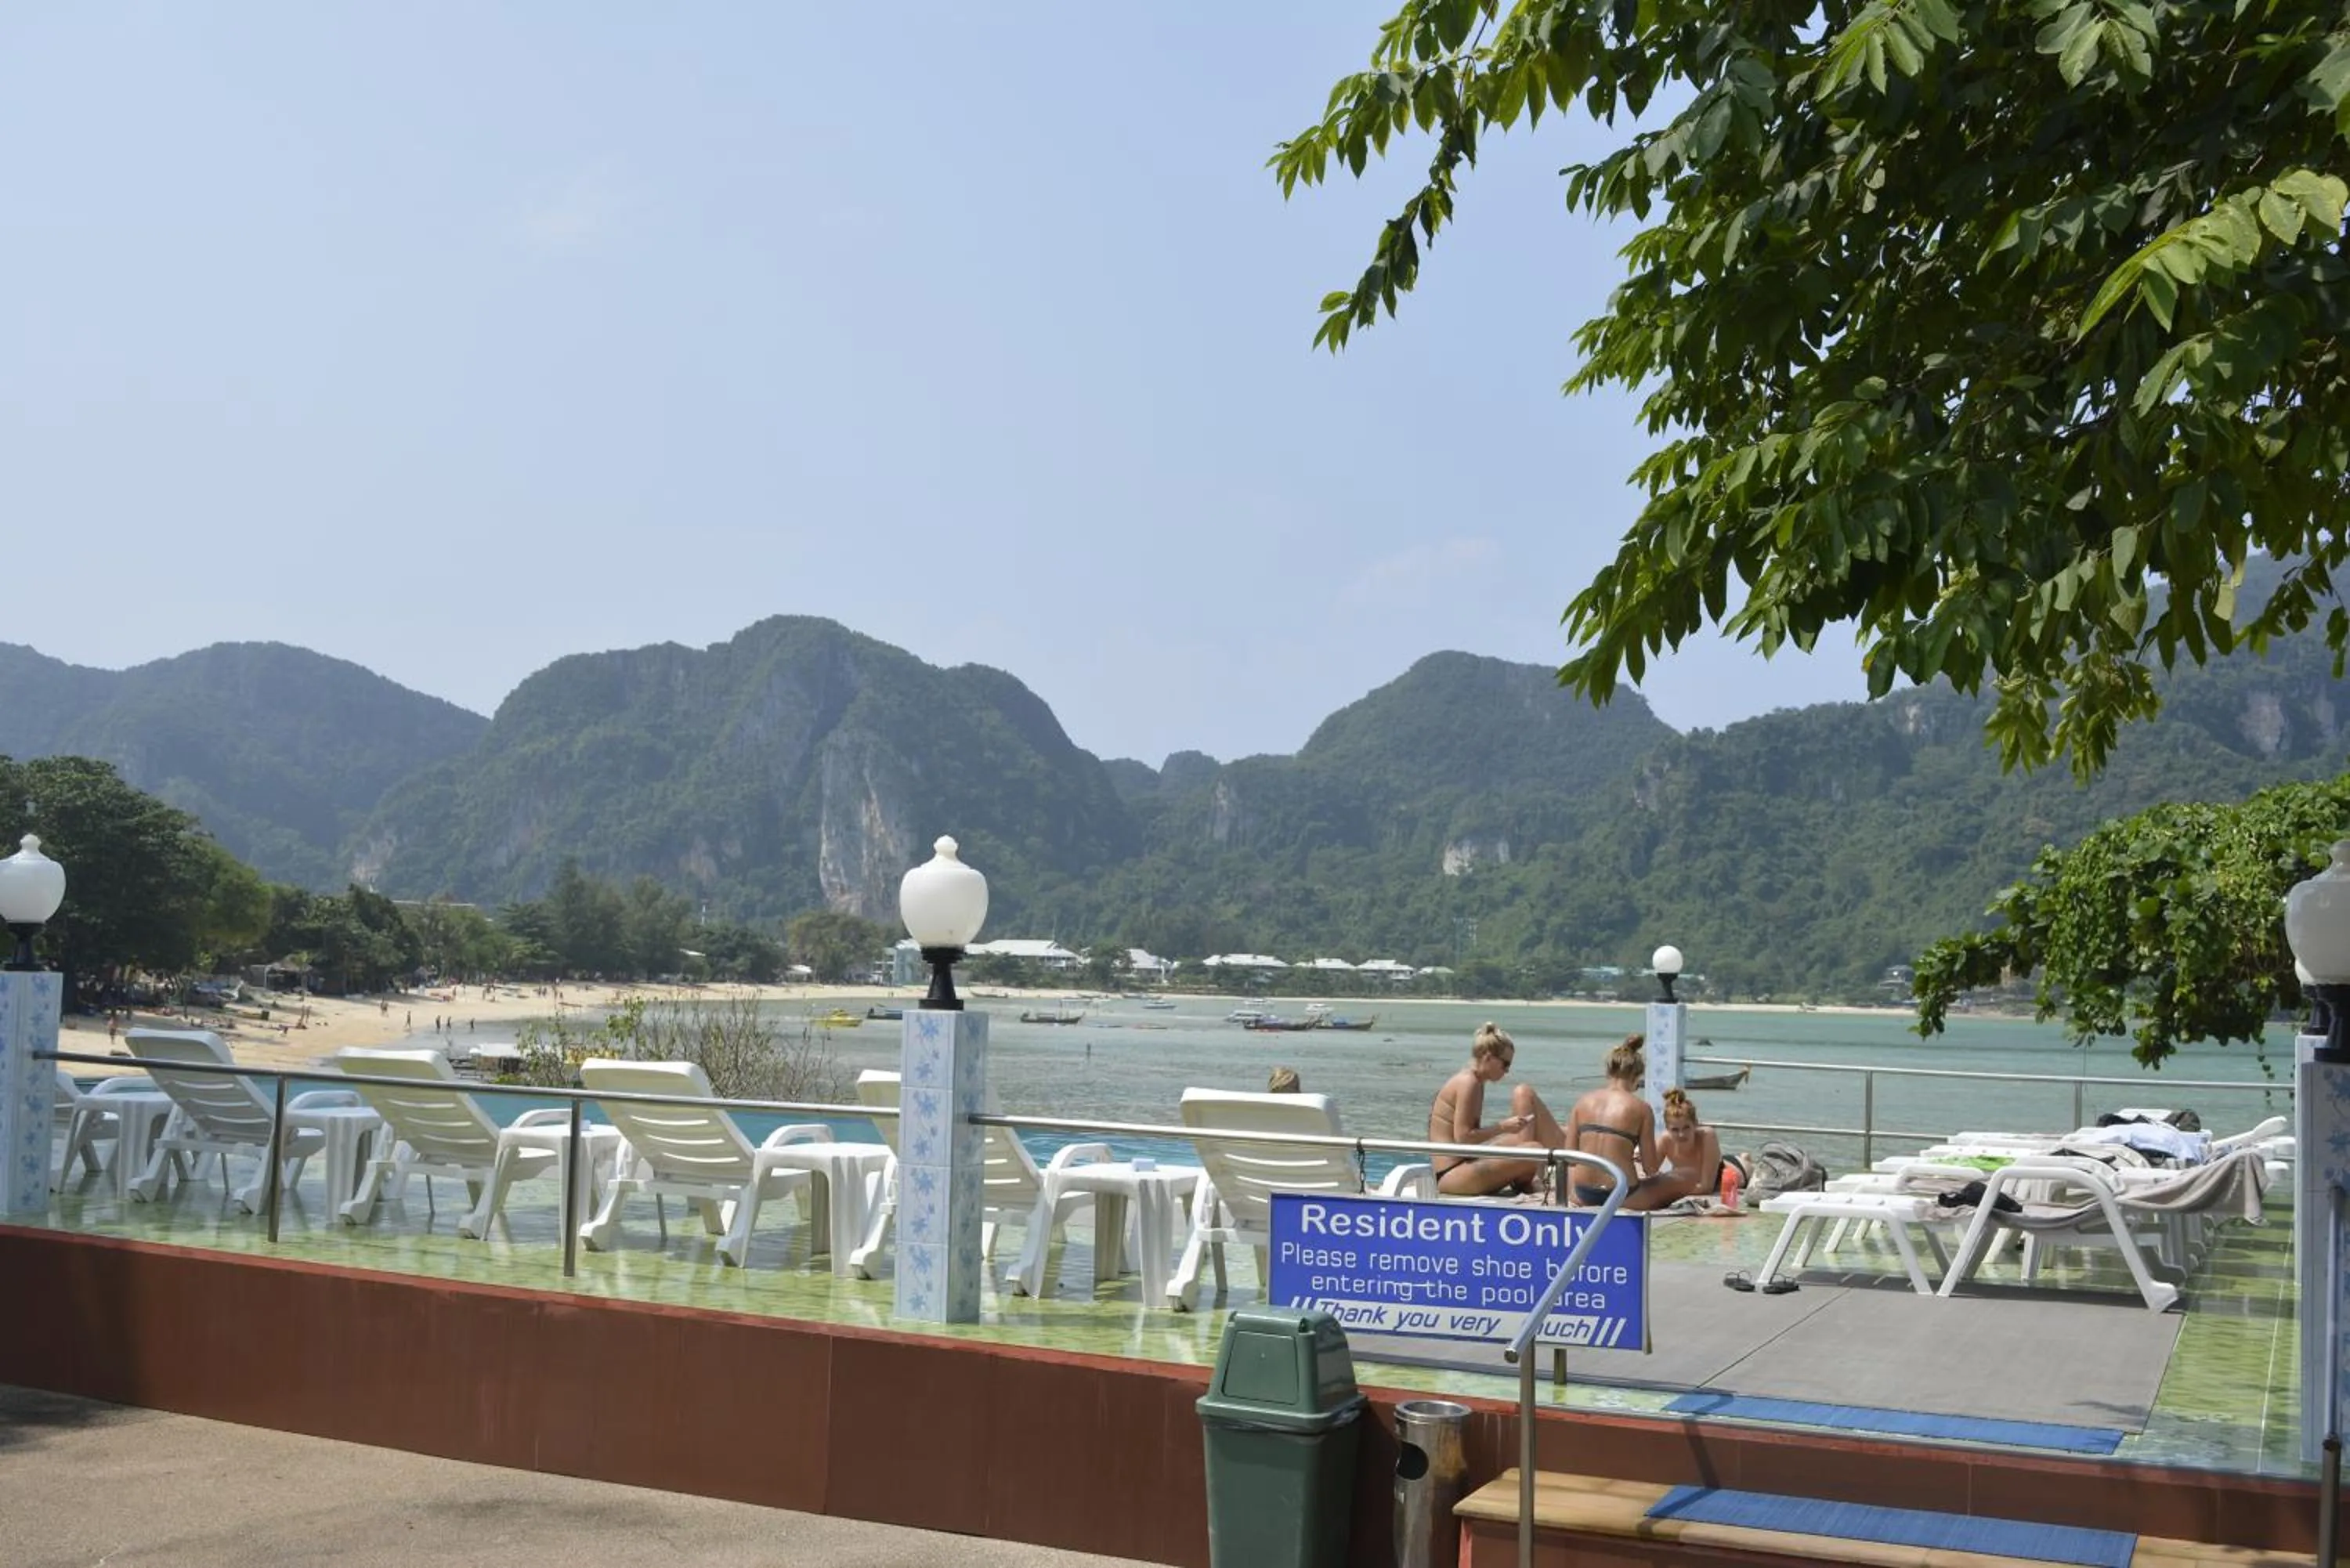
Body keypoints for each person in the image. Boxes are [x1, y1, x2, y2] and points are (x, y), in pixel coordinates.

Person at [1427, 1023, 1566, 1197]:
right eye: (1505, 1064)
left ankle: (1526, 1181)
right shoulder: (1468, 1083)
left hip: (1461, 1166)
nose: (1507, 1071)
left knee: (1521, 1141)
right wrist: (1502, 1127)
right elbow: (1463, 1138)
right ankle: (1528, 1184)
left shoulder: (1474, 1080)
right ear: (1488, 1058)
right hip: (1452, 1175)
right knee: (1534, 1149)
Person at [1563, 1035, 1676, 1210]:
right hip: (1623, 1195)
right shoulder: (1642, 1108)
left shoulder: (1582, 1102)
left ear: (1609, 1072)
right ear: (1636, 1076)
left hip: (1582, 1193)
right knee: (1678, 1181)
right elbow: (1651, 1168)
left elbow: (1569, 1158)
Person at [1654, 1088, 1725, 1203]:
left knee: (1744, 1169)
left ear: (1696, 1124)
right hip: (1690, 1181)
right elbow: (1648, 1175)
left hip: (1726, 1174)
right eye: (1675, 1130)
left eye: (1686, 1128)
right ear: (1667, 1129)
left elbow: (1706, 1188)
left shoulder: (1707, 1135)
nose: (1681, 1134)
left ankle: (1744, 1158)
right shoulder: (1664, 1140)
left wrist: (1668, 1189)